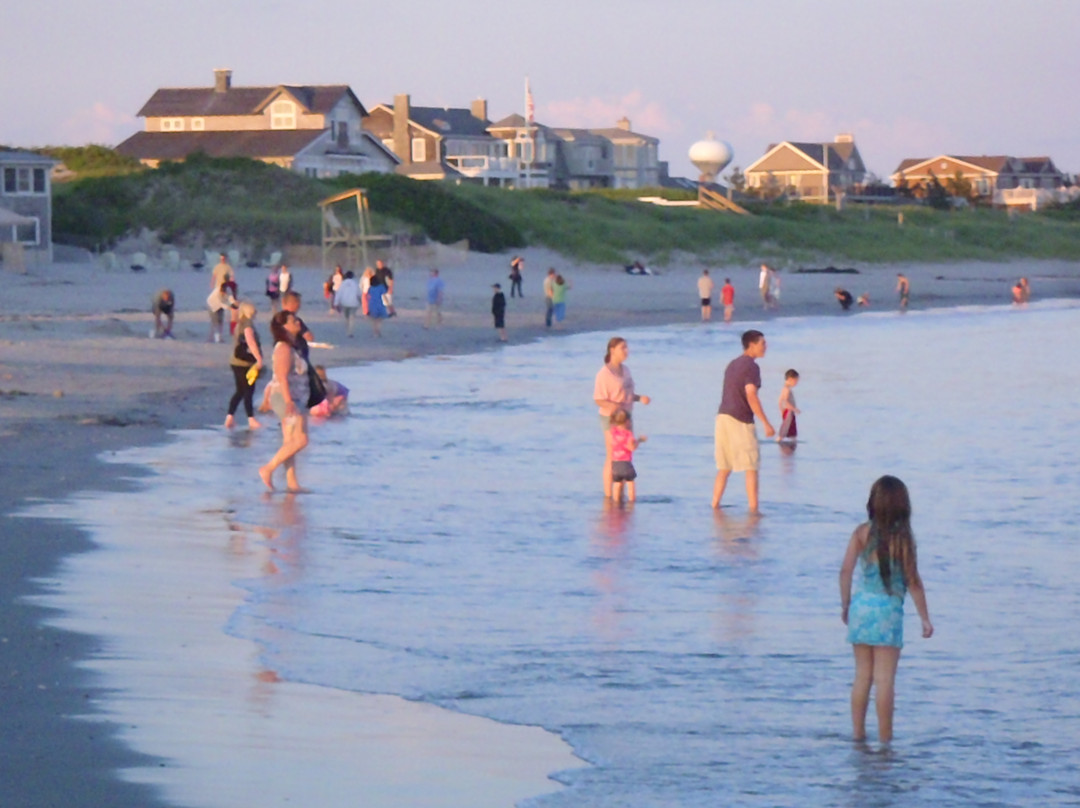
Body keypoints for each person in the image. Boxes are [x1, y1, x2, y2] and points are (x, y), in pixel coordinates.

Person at [839, 475, 933, 743]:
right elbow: (913, 581)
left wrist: (846, 604)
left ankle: (857, 736)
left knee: (862, 677)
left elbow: (845, 571)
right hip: (888, 612)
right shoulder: (903, 539)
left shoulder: (860, 533)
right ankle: (885, 740)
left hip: (862, 607)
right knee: (884, 680)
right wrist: (925, 618)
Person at [712, 329, 775, 513]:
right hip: (740, 420)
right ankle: (754, 510)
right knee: (751, 466)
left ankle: (714, 506)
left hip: (722, 417)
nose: (765, 347)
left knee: (724, 467)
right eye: (762, 343)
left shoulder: (732, 364)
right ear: (752, 345)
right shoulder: (751, 367)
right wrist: (766, 423)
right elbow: (751, 395)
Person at [259, 310, 311, 493]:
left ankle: (292, 483)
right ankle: (268, 468)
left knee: (290, 441)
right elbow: (281, 377)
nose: (298, 322)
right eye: (293, 321)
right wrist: (289, 401)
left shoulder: (292, 346)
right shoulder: (284, 348)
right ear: (284, 327)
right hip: (286, 398)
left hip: (295, 397)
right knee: (301, 439)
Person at [594, 336, 651, 498]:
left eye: (626, 348)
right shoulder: (604, 374)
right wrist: (613, 407)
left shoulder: (625, 370)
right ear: (612, 351)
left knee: (626, 454)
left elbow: (628, 394)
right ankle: (608, 495)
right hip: (610, 419)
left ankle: (621, 494)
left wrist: (640, 398)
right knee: (613, 454)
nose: (626, 351)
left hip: (627, 418)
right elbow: (598, 399)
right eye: (623, 348)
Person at [225, 300, 264, 430]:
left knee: (241, 390)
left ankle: (230, 417)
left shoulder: (240, 323)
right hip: (244, 363)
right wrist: (259, 359)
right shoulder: (247, 325)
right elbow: (250, 341)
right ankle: (251, 419)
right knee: (248, 390)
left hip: (236, 362)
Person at [606, 408, 646, 503]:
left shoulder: (613, 432)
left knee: (617, 483)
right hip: (626, 462)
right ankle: (632, 501)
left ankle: (615, 501)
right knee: (630, 483)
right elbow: (631, 447)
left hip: (615, 462)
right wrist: (639, 441)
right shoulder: (628, 434)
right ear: (628, 421)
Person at [334, 271, 362, 337]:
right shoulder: (355, 283)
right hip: (354, 303)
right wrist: (360, 302)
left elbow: (339, 294)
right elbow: (359, 293)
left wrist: (336, 303)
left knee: (346, 317)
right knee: (352, 317)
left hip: (344, 303)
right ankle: (350, 332)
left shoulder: (343, 284)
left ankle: (347, 329)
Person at [777, 369, 800, 441]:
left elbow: (780, 401)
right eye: (796, 381)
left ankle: (793, 440)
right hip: (789, 411)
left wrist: (781, 410)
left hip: (788, 411)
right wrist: (794, 409)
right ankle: (779, 439)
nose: (797, 383)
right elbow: (785, 401)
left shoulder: (785, 388)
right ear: (790, 379)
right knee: (786, 426)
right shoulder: (787, 389)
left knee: (791, 428)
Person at [367, 269, 388, 337]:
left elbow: (368, 296)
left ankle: (375, 332)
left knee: (373, 320)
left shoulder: (370, 288)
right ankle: (378, 330)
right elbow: (384, 295)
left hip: (372, 304)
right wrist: (387, 303)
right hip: (379, 303)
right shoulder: (381, 287)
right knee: (380, 319)